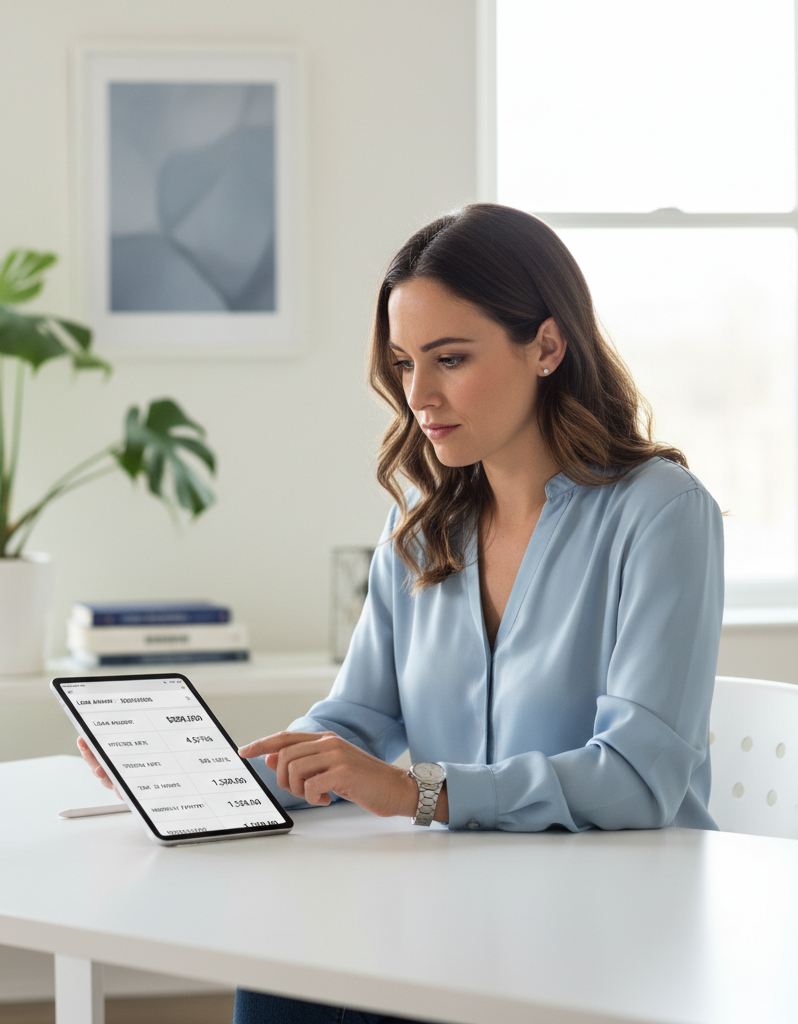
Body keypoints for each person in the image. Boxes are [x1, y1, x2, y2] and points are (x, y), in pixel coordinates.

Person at [78, 204, 725, 1024]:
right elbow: (356, 722)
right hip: (460, 911)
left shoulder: (660, 512)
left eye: (450, 358)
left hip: (616, 926)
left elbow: (637, 779)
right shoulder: (423, 516)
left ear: (548, 347)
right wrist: (202, 778)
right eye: (404, 361)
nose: (419, 394)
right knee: (282, 977)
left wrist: (418, 792)